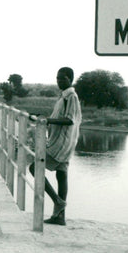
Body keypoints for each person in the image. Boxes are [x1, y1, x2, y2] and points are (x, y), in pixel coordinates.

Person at [29, 67, 82, 226]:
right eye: (57, 78)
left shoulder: (71, 96)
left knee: (34, 168)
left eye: (63, 79)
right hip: (64, 141)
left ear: (70, 79)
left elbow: (69, 119)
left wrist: (48, 121)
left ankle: (57, 201)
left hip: (61, 143)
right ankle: (60, 217)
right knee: (61, 175)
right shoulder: (64, 97)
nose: (59, 81)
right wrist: (43, 117)